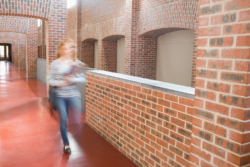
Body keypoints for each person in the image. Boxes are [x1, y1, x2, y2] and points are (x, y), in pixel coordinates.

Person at [47, 38, 86, 154]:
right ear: (60, 50)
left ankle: (66, 131)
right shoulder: (55, 64)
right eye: (63, 49)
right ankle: (66, 144)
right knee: (64, 119)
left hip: (73, 95)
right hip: (60, 95)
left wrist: (74, 79)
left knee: (77, 121)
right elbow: (49, 79)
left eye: (68, 49)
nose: (66, 51)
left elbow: (83, 79)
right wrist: (60, 82)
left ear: (71, 51)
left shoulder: (76, 64)